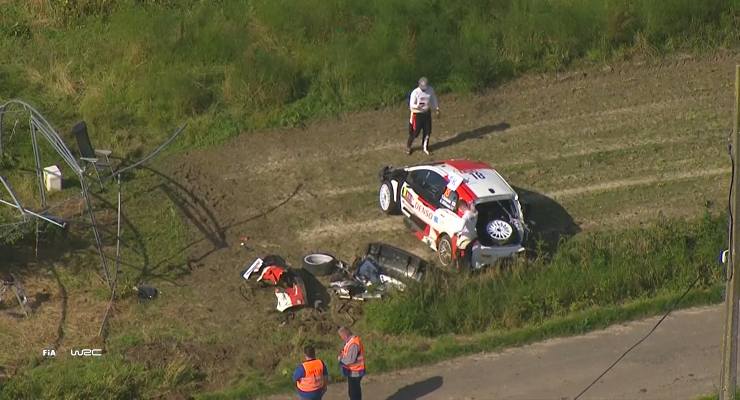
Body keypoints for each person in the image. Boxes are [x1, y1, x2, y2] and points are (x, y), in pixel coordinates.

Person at [407, 76, 440, 155]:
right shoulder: (415, 92)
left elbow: (433, 99)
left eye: (425, 87)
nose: (424, 89)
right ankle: (408, 146)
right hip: (417, 114)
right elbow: (411, 104)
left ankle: (425, 147)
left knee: (427, 131)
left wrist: (437, 108)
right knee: (415, 132)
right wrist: (417, 106)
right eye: (422, 87)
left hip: (426, 113)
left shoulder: (430, 90)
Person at [337, 326, 365, 400]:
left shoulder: (353, 344)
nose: (341, 338)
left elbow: (350, 360)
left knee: (354, 394)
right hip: (352, 371)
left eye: (341, 336)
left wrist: (340, 359)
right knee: (353, 392)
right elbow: (345, 352)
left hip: (355, 372)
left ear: (345, 335)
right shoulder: (350, 342)